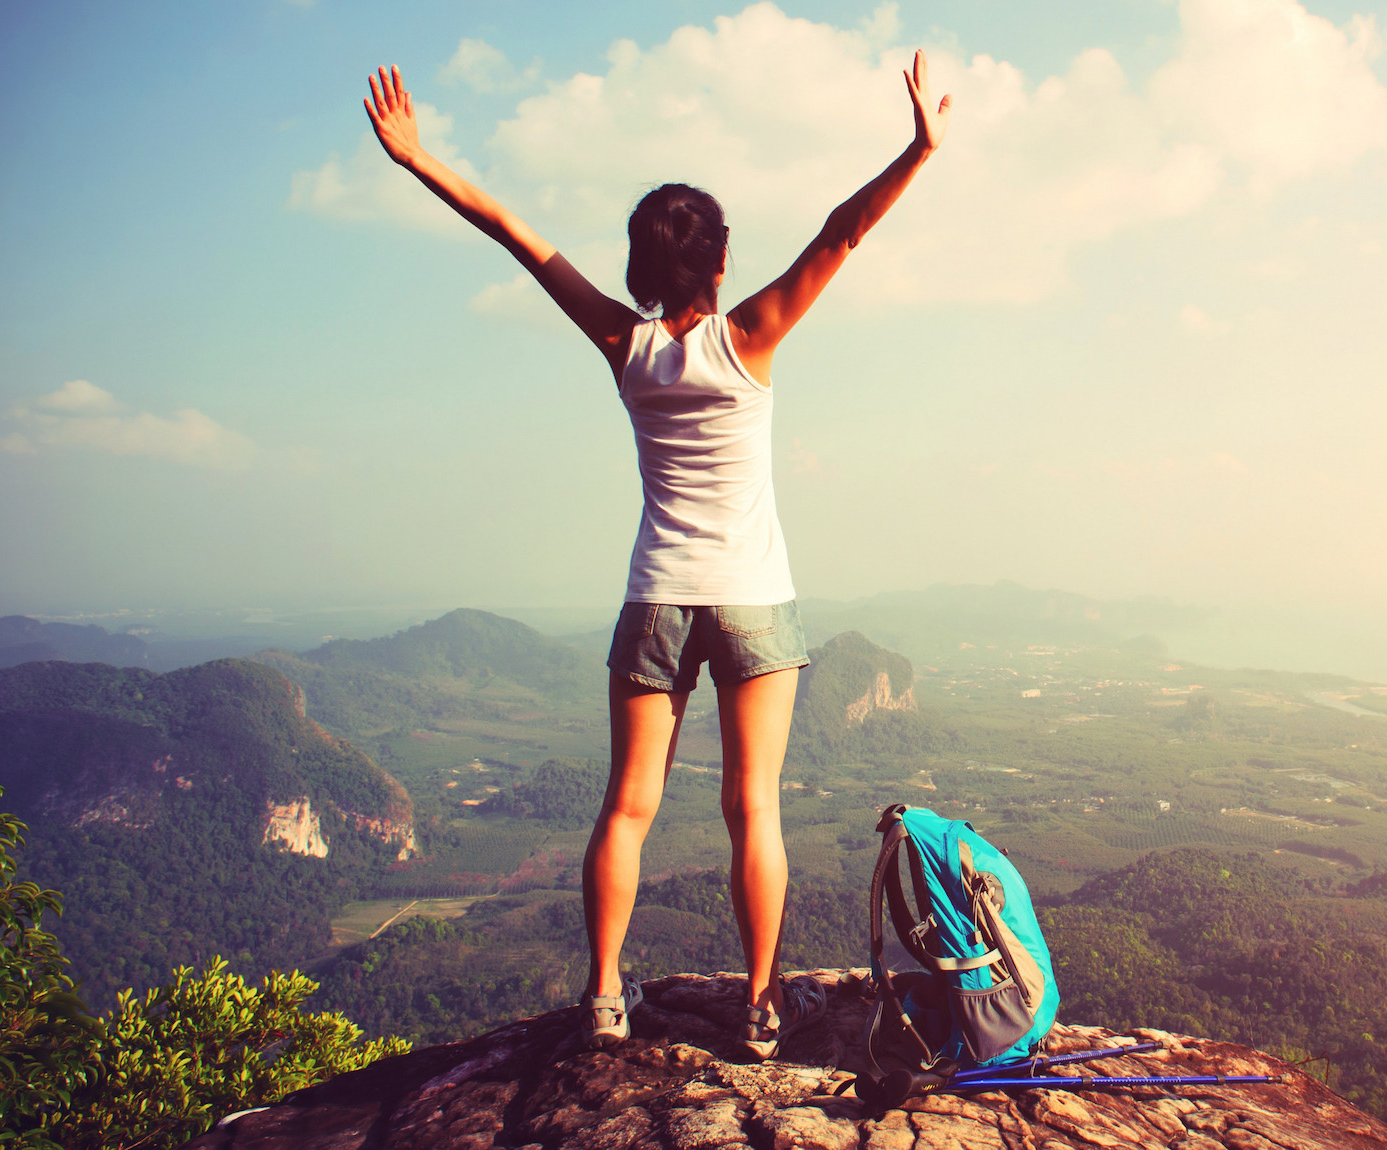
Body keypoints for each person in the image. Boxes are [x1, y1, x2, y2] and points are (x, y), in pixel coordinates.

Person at [364, 50, 951, 1059]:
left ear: (640, 272)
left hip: (656, 597)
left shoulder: (622, 346)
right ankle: (763, 1007)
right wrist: (917, 149)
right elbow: (839, 234)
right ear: (720, 266)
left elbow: (514, 234)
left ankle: (600, 998)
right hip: (754, 599)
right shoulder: (753, 334)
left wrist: (417, 157)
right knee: (751, 806)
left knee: (627, 807)